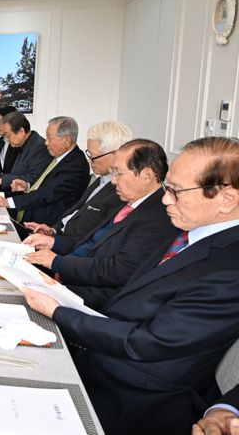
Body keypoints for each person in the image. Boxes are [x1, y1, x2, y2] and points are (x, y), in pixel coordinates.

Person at [23, 136, 239, 435]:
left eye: (175, 192)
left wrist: (60, 311)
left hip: (130, 392)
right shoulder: (190, 229)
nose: (165, 199)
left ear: (226, 199)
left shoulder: (229, 267)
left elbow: (149, 342)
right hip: (104, 349)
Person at [24, 139, 178, 306]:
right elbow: (88, 243)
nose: (113, 181)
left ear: (146, 176)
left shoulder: (159, 218)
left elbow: (117, 271)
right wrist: (54, 243)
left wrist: (57, 264)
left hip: (88, 298)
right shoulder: (126, 201)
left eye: (118, 173)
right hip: (68, 276)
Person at [23, 121, 131, 239]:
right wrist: (53, 230)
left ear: (115, 155)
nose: (89, 161)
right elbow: (76, 213)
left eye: (93, 156)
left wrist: (54, 241)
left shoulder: (121, 191)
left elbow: (87, 236)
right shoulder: (101, 180)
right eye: (88, 153)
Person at [0, 116, 89, 226]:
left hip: (44, 225)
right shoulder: (62, 157)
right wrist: (27, 186)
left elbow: (47, 194)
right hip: (31, 214)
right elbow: (47, 186)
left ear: (66, 140)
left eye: (50, 138)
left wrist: (7, 202)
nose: (46, 143)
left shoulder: (75, 165)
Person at [0, 111, 52, 193]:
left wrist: (1, 180)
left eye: (8, 135)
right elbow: (18, 173)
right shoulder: (24, 143)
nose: (7, 139)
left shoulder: (40, 147)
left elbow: (33, 178)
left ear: (21, 132)